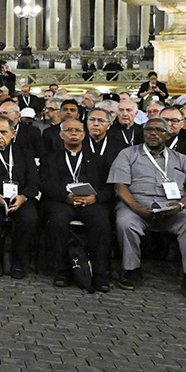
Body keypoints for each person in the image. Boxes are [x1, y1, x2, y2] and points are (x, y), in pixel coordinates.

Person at [108, 116, 186, 300]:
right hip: (137, 204)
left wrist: (180, 205)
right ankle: (131, 270)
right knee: (125, 222)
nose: (153, 133)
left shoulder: (183, 159)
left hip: (175, 206)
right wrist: (136, 207)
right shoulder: (128, 154)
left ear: (169, 134)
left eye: (159, 130)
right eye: (149, 129)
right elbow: (119, 186)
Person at [39, 118, 114, 291]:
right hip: (61, 201)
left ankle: (100, 273)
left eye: (78, 131)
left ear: (84, 134)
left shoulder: (98, 160)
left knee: (102, 222)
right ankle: (62, 270)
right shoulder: (50, 158)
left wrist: (94, 198)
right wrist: (67, 197)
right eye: (69, 130)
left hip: (91, 202)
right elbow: (45, 183)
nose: (74, 134)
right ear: (61, 134)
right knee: (57, 221)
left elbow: (108, 187)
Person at [0, 116, 39, 278]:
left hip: (19, 197)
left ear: (13, 133)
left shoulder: (24, 152)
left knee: (30, 218)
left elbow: (33, 181)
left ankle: (18, 261)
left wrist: (23, 197)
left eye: (3, 132)